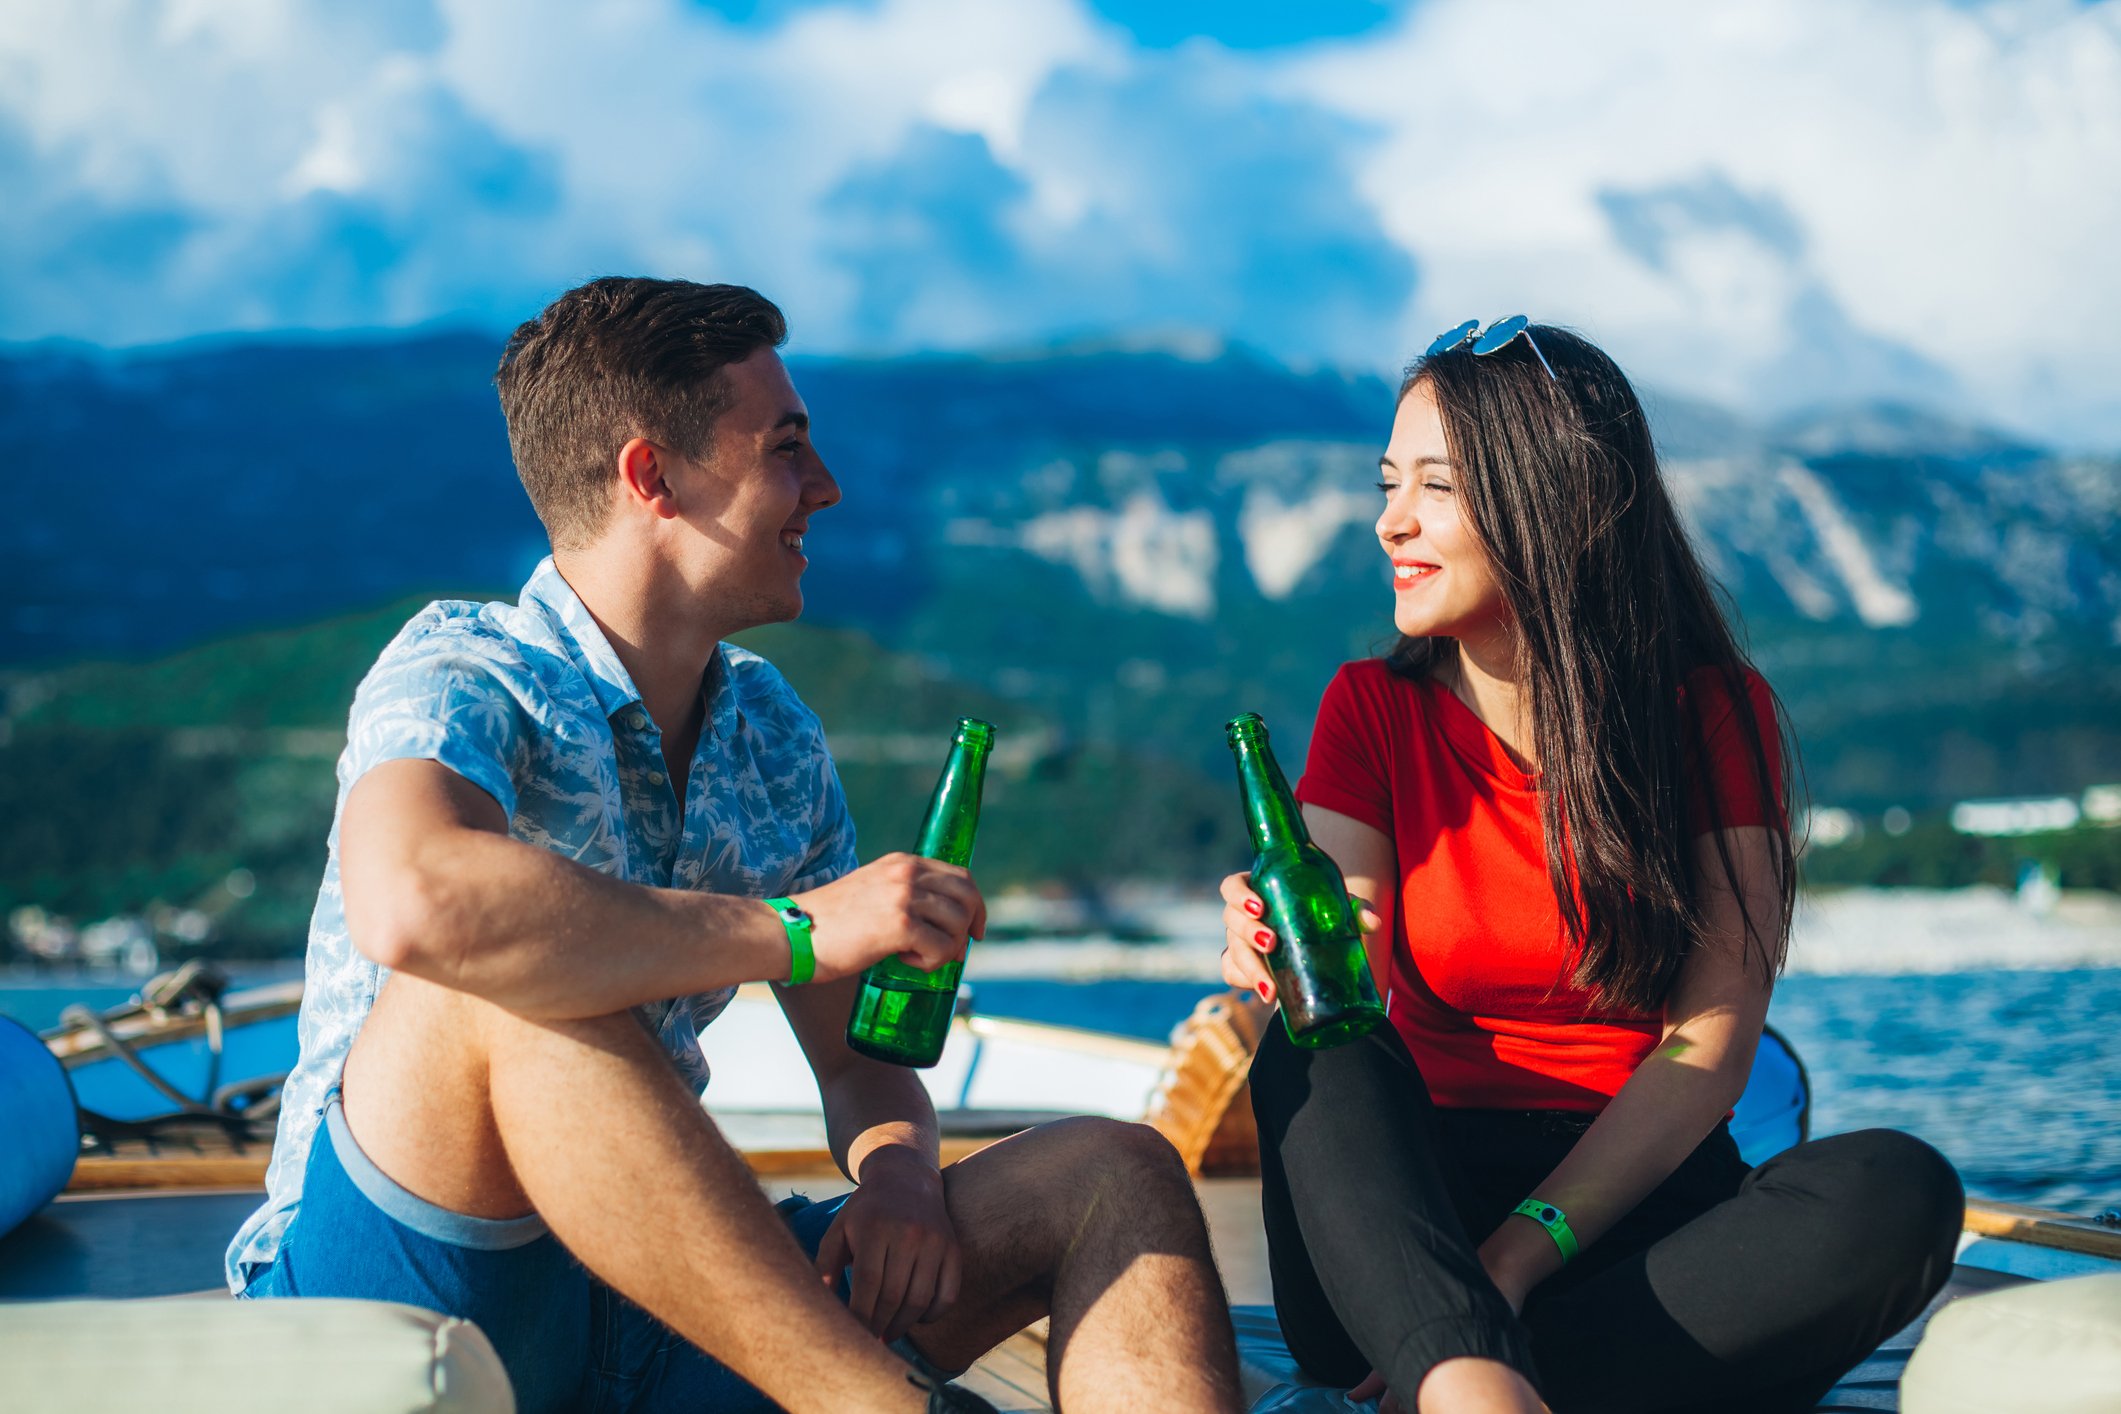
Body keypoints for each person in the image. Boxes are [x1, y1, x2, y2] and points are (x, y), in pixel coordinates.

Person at [226, 276, 1245, 1414]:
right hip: (401, 1306)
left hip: (648, 1306)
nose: (827, 486)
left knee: (1113, 1172)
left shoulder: (771, 730)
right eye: (787, 449)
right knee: (498, 982)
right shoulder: (463, 671)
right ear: (652, 477)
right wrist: (795, 932)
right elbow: (413, 904)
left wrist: (900, 1175)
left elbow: (857, 1062)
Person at [1217, 319, 1963, 1414]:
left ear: (1553, 500)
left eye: (1434, 486)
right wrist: (1278, 939)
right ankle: (1466, 1371)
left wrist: (1513, 1263)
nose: (1389, 520)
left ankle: (1455, 1378)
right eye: (1387, 483)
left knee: (1897, 1188)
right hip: (1404, 1229)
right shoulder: (1372, 709)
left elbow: (1711, 1047)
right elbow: (1347, 956)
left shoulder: (1712, 714)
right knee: (1314, 1045)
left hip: (1628, 1213)